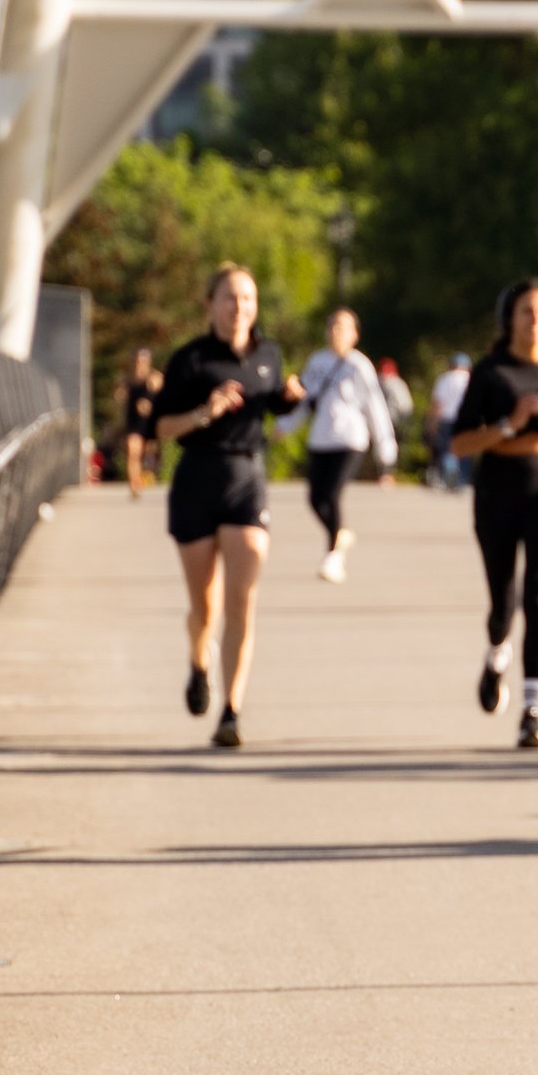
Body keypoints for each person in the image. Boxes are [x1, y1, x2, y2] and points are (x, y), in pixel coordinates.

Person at [153, 265, 305, 750]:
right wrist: (205, 411)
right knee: (205, 606)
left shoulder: (268, 354)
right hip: (197, 479)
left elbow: (270, 406)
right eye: (229, 298)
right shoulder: (190, 360)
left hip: (246, 480)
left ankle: (231, 710)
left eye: (247, 298)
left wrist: (287, 397)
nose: (240, 307)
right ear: (210, 304)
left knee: (242, 601)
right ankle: (199, 661)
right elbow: (161, 428)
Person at [451, 277, 538, 751]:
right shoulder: (490, 372)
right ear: (509, 318)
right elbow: (460, 442)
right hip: (497, 491)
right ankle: (496, 655)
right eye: (528, 312)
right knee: (502, 601)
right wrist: (509, 423)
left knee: (536, 595)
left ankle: (531, 710)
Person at [285, 308, 399, 583]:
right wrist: (286, 425)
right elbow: (305, 399)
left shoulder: (359, 366)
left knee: (332, 495)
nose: (336, 331)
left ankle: (333, 556)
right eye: (332, 325)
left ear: (354, 335)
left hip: (350, 440)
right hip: (321, 438)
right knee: (315, 498)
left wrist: (385, 448)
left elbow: (375, 407)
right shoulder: (317, 362)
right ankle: (340, 534)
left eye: (343, 327)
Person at [118, 346, 161, 499]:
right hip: (133, 422)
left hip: (149, 423)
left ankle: (146, 476)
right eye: (137, 360)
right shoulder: (128, 378)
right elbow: (119, 395)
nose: (139, 363)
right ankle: (134, 483)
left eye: (143, 360)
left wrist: (150, 402)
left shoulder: (154, 377)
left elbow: (163, 395)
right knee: (132, 451)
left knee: (146, 453)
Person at [426, 352, 472, 489]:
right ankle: (462, 479)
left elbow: (438, 403)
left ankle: (446, 477)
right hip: (465, 420)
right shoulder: (471, 379)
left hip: (446, 419)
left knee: (445, 450)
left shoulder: (445, 379)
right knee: (464, 449)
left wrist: (432, 422)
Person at [376, 356, 413, 461]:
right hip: (403, 417)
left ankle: (388, 465)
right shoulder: (399, 382)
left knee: (388, 442)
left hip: (393, 418)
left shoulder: (387, 382)